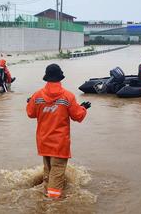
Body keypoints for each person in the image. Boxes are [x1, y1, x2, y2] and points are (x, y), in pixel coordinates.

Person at [26, 64, 91, 199]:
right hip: (60, 143)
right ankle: (53, 204)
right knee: (57, 173)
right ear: (60, 77)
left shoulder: (37, 96)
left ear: (47, 77)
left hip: (43, 141)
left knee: (48, 172)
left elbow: (30, 113)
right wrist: (83, 108)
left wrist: (30, 102)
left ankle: (45, 196)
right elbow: (77, 116)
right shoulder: (68, 96)